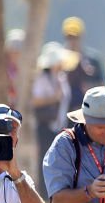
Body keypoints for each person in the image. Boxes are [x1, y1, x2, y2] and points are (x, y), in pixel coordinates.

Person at [31, 42, 78, 194]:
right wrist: (53, 98)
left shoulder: (61, 77)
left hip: (58, 124)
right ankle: (45, 192)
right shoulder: (43, 78)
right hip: (45, 124)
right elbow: (36, 100)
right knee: (44, 158)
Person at [62, 17, 104, 113]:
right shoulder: (59, 61)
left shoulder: (93, 59)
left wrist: (90, 87)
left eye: (75, 37)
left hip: (88, 110)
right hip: (64, 112)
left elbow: (102, 85)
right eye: (69, 37)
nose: (72, 41)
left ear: (81, 36)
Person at [5, 29, 24, 105]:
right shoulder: (3, 68)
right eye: (12, 50)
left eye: (18, 51)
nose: (15, 54)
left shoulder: (25, 67)